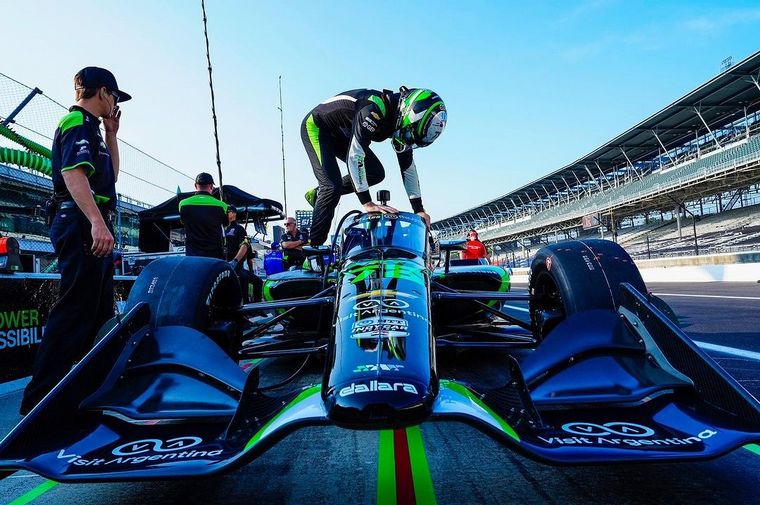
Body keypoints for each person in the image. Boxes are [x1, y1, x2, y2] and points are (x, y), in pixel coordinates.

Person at [21, 67, 131, 415]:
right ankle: (38, 403)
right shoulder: (76, 123)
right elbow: (73, 174)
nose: (115, 104)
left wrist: (111, 134)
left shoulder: (94, 129)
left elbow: (110, 177)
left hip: (90, 221)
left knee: (98, 314)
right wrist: (97, 222)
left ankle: (86, 393)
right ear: (103, 92)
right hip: (81, 221)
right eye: (115, 96)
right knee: (75, 311)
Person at [301, 87, 447, 246]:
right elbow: (355, 156)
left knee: (375, 173)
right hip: (318, 127)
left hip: (343, 133)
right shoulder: (373, 108)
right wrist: (367, 203)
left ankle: (318, 195)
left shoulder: (400, 120)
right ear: (408, 114)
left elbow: (408, 168)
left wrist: (419, 209)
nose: (408, 137)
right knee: (331, 187)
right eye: (409, 132)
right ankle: (314, 248)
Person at [179, 172, 227, 259]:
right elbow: (225, 224)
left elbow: (183, 222)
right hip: (214, 257)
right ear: (211, 186)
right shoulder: (222, 205)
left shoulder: (183, 204)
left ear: (195, 186)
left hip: (193, 257)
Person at [224, 205, 262, 302]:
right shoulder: (221, 229)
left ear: (234, 213)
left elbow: (247, 250)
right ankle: (245, 306)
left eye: (228, 211)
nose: (226, 214)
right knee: (243, 279)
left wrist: (250, 270)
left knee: (258, 281)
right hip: (225, 266)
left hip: (237, 266)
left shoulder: (239, 229)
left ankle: (255, 307)